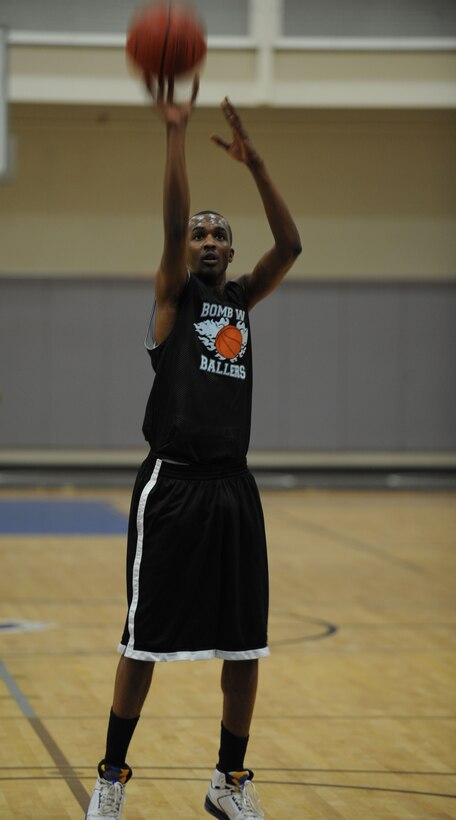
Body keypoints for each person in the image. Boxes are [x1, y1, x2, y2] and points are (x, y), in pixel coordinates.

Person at [86, 75, 301, 820]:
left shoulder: (242, 297)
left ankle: (228, 781)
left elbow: (293, 244)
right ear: (184, 250)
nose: (206, 238)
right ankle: (112, 774)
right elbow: (173, 217)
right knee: (143, 641)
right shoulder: (176, 297)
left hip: (233, 487)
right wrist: (176, 131)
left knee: (246, 645)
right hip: (171, 486)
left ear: (231, 250)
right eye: (197, 233)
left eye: (218, 233)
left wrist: (256, 165)